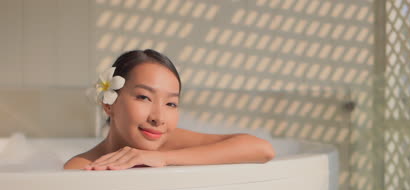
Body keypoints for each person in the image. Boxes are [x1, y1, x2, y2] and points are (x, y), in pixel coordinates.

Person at [64, 49, 275, 170]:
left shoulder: (167, 143)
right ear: (109, 104)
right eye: (144, 97)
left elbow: (262, 149)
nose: (158, 118)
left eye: (171, 104)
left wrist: (164, 157)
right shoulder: (83, 166)